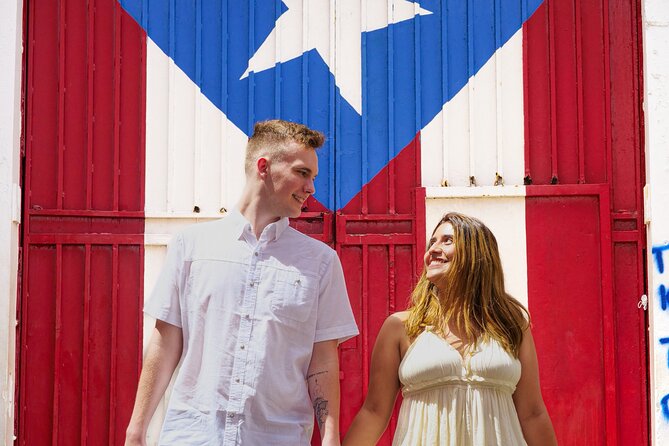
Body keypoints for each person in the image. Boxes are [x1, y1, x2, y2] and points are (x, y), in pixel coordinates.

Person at [125, 120, 359, 445]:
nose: (312, 188)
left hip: (278, 438)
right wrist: (136, 431)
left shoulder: (320, 263)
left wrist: (330, 439)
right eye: (302, 173)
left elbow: (323, 361)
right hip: (194, 436)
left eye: (313, 177)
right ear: (264, 167)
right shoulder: (191, 246)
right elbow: (164, 344)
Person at [343, 212, 557, 446]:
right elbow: (374, 412)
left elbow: (532, 414)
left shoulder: (512, 325)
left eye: (447, 240)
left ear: (477, 253)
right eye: (432, 242)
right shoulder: (400, 327)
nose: (433, 249)